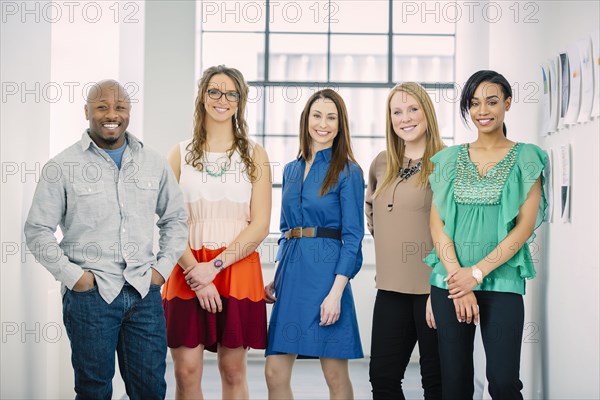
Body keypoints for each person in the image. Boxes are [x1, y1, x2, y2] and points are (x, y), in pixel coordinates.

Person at [24, 79, 188, 399]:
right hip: (91, 297)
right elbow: (37, 230)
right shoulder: (62, 166)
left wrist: (161, 270)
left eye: (120, 107)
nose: (111, 114)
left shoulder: (153, 162)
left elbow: (176, 219)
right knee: (94, 390)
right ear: (87, 112)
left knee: (151, 390)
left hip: (144, 293)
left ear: (129, 112)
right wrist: (77, 278)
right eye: (102, 107)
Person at [425, 70, 547, 399]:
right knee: (456, 382)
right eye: (474, 103)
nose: (483, 111)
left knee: (504, 382)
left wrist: (476, 274)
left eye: (492, 102)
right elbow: (438, 226)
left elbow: (523, 229)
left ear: (507, 103)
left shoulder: (527, 158)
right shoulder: (448, 159)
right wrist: (458, 279)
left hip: (502, 280)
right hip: (449, 284)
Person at [161, 65, 271, 399]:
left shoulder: (256, 155)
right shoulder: (178, 153)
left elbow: (260, 225)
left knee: (233, 371)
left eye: (231, 93)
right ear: (202, 97)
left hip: (236, 269)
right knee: (185, 371)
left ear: (240, 101)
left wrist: (214, 267)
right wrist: (196, 270)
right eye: (214, 91)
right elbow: (168, 220)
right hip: (187, 267)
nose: (222, 99)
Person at [264, 89, 365, 400]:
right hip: (292, 277)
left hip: (327, 280)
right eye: (317, 115)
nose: (324, 123)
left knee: (335, 374)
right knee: (274, 372)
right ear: (306, 120)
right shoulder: (291, 171)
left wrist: (336, 293)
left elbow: (353, 237)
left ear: (341, 124)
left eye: (332, 117)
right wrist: (278, 277)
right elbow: (286, 230)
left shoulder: (349, 171)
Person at [365, 82, 444, 399]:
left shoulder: (447, 162)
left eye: (413, 109)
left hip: (433, 292)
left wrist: (440, 287)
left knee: (436, 383)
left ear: (427, 113)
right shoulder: (382, 162)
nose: (405, 118)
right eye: (397, 111)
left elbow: (455, 228)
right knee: (382, 379)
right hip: (390, 289)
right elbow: (373, 211)